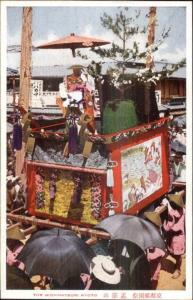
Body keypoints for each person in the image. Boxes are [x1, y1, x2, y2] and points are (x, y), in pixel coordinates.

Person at [162, 192, 185, 279]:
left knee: (176, 254)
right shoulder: (182, 210)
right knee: (176, 254)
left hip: (176, 238)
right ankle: (177, 266)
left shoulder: (173, 214)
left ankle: (178, 270)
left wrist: (164, 224)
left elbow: (168, 228)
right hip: (179, 237)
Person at [144, 211, 166, 289]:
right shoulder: (151, 233)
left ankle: (152, 289)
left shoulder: (157, 239)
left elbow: (155, 256)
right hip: (149, 263)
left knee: (153, 278)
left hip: (153, 264)